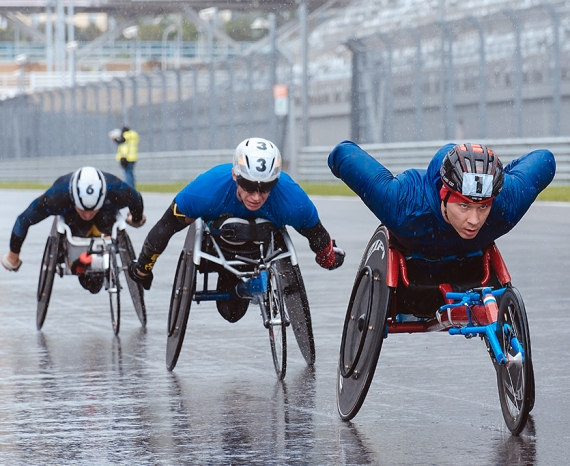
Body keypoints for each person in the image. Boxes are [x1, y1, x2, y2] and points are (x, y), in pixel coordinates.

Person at [129, 137, 345, 323]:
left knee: (232, 312)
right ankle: (234, 282)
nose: (256, 197)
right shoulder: (206, 190)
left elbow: (315, 233)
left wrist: (328, 257)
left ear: (276, 181)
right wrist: (143, 267)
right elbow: (166, 226)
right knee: (230, 313)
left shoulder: (293, 200)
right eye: (249, 187)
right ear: (235, 176)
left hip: (263, 249)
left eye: (266, 188)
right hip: (219, 251)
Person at [328, 141, 556, 316]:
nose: (474, 220)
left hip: (470, 272)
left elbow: (546, 160)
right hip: (411, 281)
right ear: (443, 196)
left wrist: (501, 178)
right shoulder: (403, 204)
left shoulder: (505, 203)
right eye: (464, 206)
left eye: (483, 207)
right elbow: (342, 153)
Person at [2, 167, 146, 294]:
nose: (88, 215)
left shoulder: (117, 190)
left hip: (105, 214)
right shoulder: (56, 196)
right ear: (73, 198)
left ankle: (102, 244)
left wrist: (136, 218)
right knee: (91, 283)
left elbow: (137, 200)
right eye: (83, 209)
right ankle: (78, 260)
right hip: (73, 219)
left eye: (92, 209)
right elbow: (24, 220)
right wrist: (13, 254)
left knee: (105, 218)